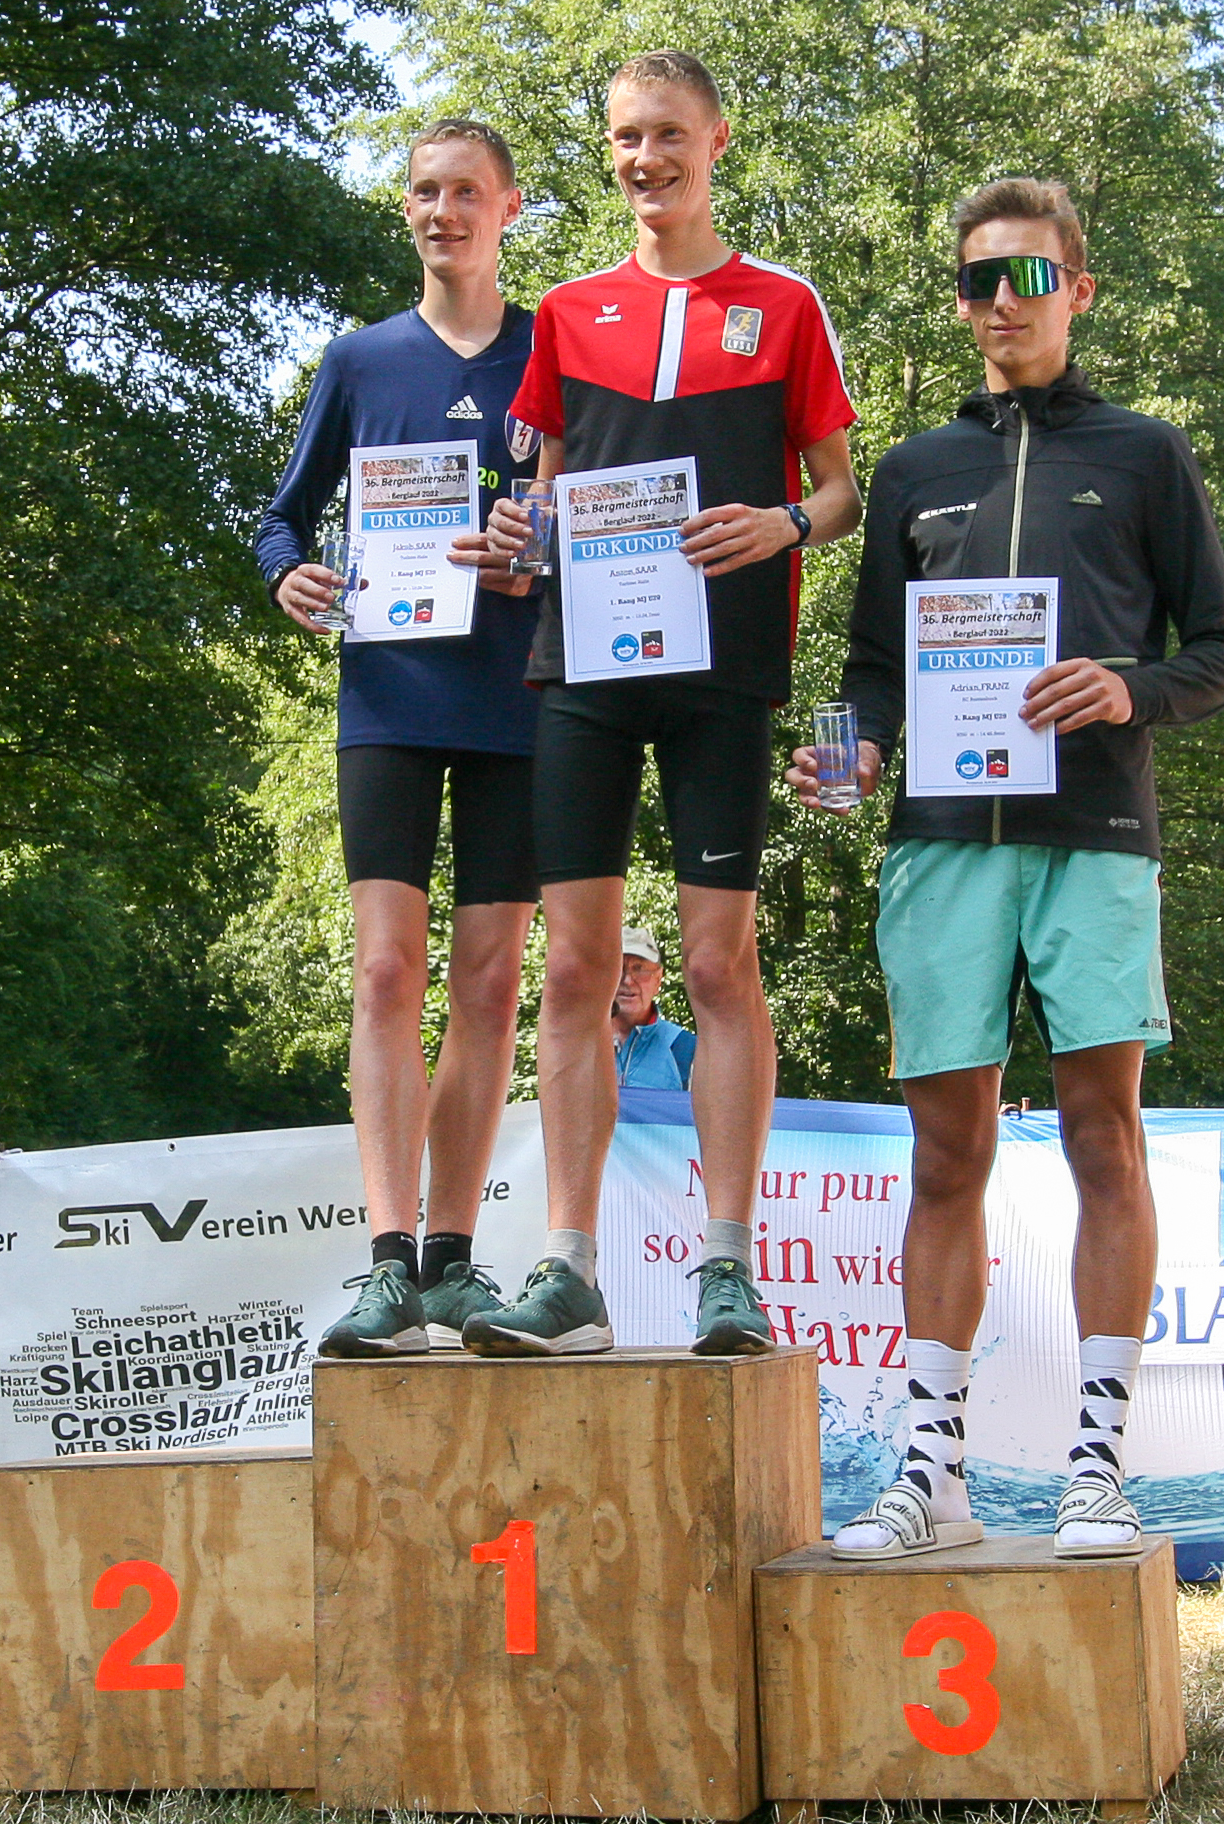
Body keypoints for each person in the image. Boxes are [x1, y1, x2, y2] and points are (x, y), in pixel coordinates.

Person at [790, 177, 1224, 1561]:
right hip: (941, 843)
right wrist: (855, 753)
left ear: (1078, 292)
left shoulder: (1145, 454)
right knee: (947, 1152)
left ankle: (1096, 1471)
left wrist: (1127, 689)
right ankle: (931, 1476)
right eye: (979, 280)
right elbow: (874, 668)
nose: (1003, 302)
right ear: (959, 302)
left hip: (1094, 835)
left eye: (1029, 277)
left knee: (1105, 1136)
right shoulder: (915, 470)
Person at [471, 51, 858, 1357]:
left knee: (713, 964)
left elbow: (841, 494)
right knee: (576, 969)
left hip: (722, 674)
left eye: (669, 135)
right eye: (627, 137)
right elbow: (542, 496)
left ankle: (727, 1269)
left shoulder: (783, 305)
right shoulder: (567, 312)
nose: (647, 159)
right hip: (583, 669)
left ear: (717, 140)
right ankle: (568, 1271)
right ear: (609, 150)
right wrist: (511, 540)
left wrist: (783, 522)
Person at [253, 120, 544, 1358]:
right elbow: (280, 518)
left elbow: (591, 516)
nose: (443, 211)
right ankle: (384, 1261)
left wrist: (539, 548)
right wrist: (288, 576)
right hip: (389, 693)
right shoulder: (360, 358)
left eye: (466, 192)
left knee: (488, 980)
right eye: (425, 191)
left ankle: (453, 1260)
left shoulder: (552, 349)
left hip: (519, 698)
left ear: (509, 208)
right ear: (407, 207)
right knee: (384, 971)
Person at [609, 927, 697, 1091]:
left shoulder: (684, 1048)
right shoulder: (581, 1043)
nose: (627, 980)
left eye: (639, 969)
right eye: (618, 968)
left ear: (658, 979)